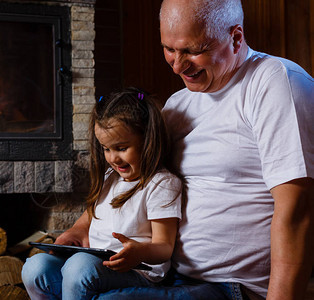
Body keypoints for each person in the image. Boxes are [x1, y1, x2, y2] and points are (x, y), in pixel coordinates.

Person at [47, 0, 313, 299]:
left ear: (236, 38)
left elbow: (298, 210)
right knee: (45, 274)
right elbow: (133, 175)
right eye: (169, 49)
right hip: (167, 275)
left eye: (192, 51)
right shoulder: (177, 105)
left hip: (233, 287)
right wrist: (82, 226)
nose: (177, 64)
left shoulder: (274, 82)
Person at [21, 87, 183, 299]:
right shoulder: (110, 177)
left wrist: (139, 253)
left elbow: (164, 246)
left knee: (80, 266)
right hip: (95, 262)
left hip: (137, 270)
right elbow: (92, 212)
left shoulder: (162, 184)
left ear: (148, 140)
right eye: (106, 149)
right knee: (35, 266)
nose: (113, 158)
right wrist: (76, 230)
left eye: (122, 148)